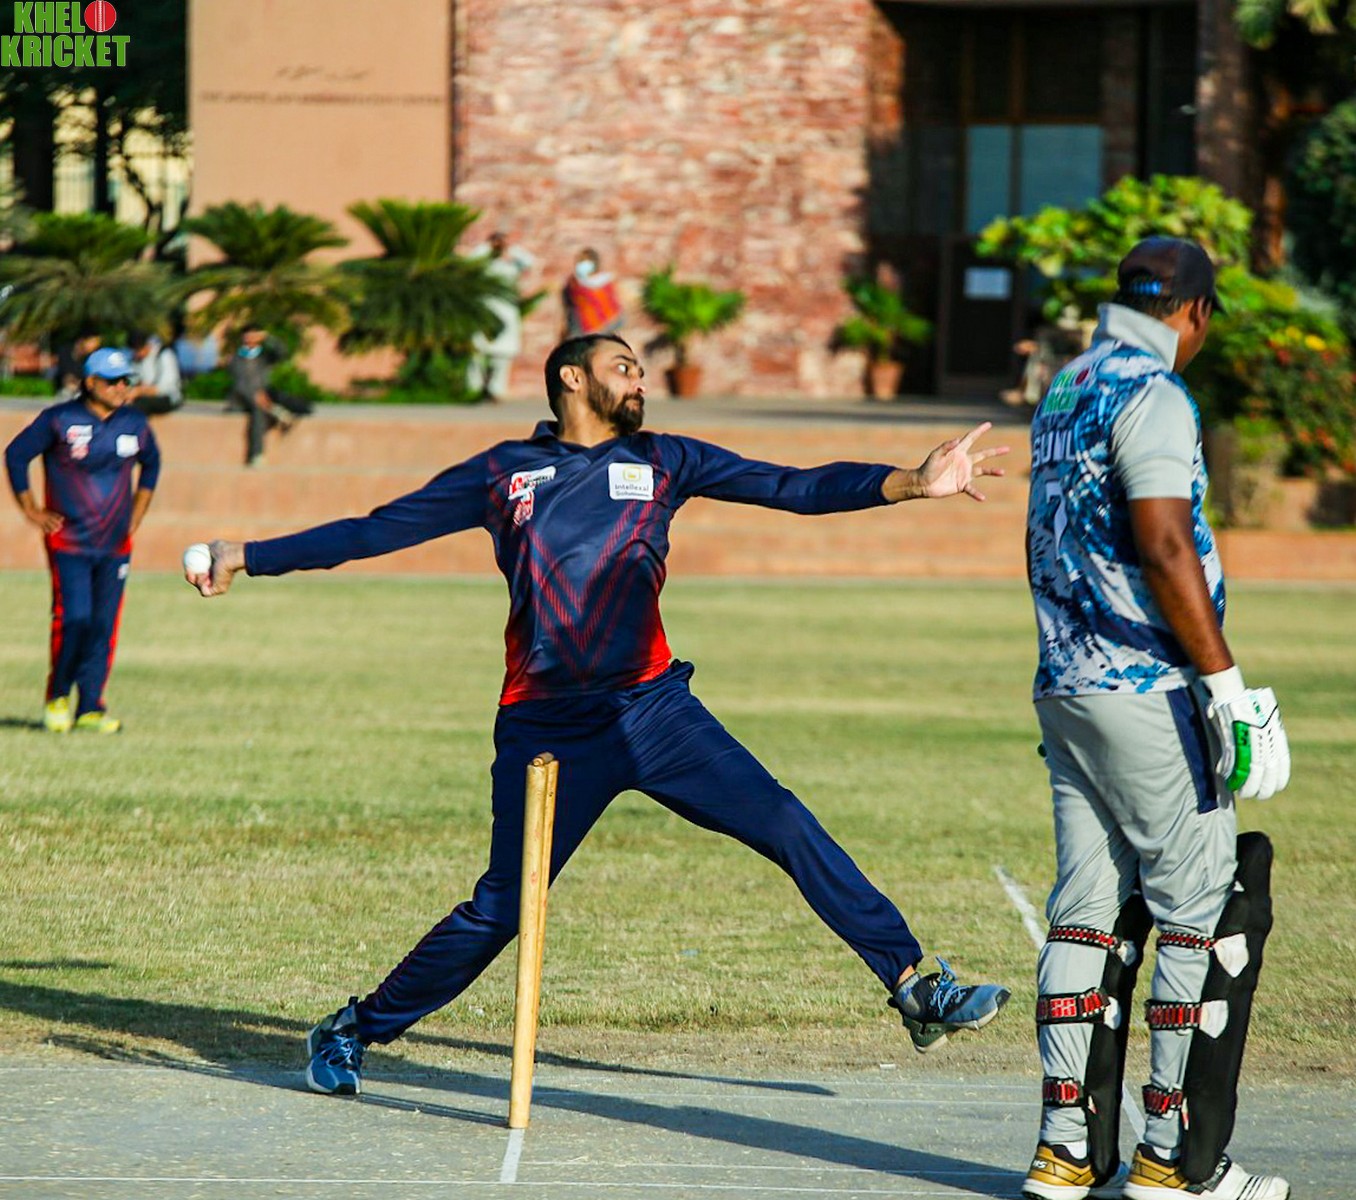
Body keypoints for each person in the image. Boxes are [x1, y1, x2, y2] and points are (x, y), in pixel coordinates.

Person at [186, 332, 1014, 1096]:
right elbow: (374, 533)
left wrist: (911, 482)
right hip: (547, 729)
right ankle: (353, 1029)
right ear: (572, 379)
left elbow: (791, 486)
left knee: (786, 821)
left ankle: (914, 986)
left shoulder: (666, 460)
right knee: (502, 911)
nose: (640, 380)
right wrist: (245, 555)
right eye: (624, 368)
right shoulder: (504, 472)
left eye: (643, 370)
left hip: (655, 710)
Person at [1019, 238, 1292, 1200]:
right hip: (1145, 686)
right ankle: (1174, 1162)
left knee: (1085, 912)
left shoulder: (1067, 385)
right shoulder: (1155, 391)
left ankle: (1063, 1150)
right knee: (1198, 913)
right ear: (1195, 311)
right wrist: (1226, 685)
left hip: (1065, 681)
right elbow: (1165, 540)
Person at [5, 346, 161, 734]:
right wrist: (31, 509)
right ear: (90, 382)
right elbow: (16, 455)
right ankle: (58, 696)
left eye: (127, 381)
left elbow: (152, 464)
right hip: (69, 541)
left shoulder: (135, 423)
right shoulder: (60, 419)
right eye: (113, 381)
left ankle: (91, 706)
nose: (122, 388)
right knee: (74, 618)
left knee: (103, 624)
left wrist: (138, 513)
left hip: (115, 545)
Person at [228, 324, 310, 467]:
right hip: (243, 397)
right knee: (258, 409)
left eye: (254, 334)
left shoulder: (263, 356)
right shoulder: (237, 358)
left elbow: (282, 352)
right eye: (247, 334)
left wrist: (268, 338)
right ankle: (257, 454)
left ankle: (274, 411)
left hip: (264, 394)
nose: (250, 338)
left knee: (273, 400)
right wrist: (255, 395)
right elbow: (240, 383)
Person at [468, 229, 535, 401]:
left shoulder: (511, 266)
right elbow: (469, 262)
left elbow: (529, 262)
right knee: (477, 352)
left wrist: (510, 248)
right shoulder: (484, 265)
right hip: (485, 312)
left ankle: (495, 390)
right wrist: (488, 247)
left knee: (503, 355)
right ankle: (474, 388)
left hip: (506, 312)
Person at [561, 248, 624, 339]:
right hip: (580, 330)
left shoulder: (605, 282)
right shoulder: (573, 284)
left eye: (584, 261)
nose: (581, 265)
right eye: (580, 261)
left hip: (608, 327)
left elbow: (613, 308)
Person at [128, 332, 184, 416]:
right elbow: (133, 379)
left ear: (147, 345)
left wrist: (140, 391)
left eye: (138, 350)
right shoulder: (136, 360)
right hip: (144, 396)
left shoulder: (164, 354)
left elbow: (166, 387)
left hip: (168, 398)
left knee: (141, 405)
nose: (137, 354)